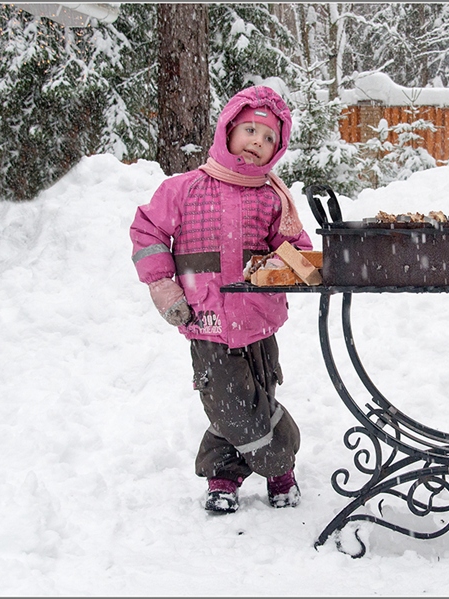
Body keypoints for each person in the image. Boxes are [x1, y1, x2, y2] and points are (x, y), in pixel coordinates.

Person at [130, 85, 311, 514]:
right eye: (250, 130)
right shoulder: (184, 189)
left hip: (260, 318)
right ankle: (278, 464)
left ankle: (225, 474)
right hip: (206, 318)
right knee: (227, 399)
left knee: (259, 396)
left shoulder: (272, 199)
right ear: (227, 131)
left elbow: (293, 247)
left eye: (269, 138)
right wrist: (163, 286)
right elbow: (146, 231)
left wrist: (301, 263)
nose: (258, 142)